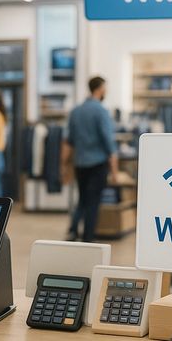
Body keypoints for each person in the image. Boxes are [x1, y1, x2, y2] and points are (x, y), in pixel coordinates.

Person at [65, 76, 119, 242]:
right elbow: (108, 140)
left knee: (82, 199)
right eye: (105, 88)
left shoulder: (76, 111)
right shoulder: (101, 111)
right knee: (93, 201)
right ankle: (88, 237)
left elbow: (70, 141)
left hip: (80, 163)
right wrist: (114, 169)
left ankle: (73, 230)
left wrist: (63, 165)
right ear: (100, 88)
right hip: (97, 164)